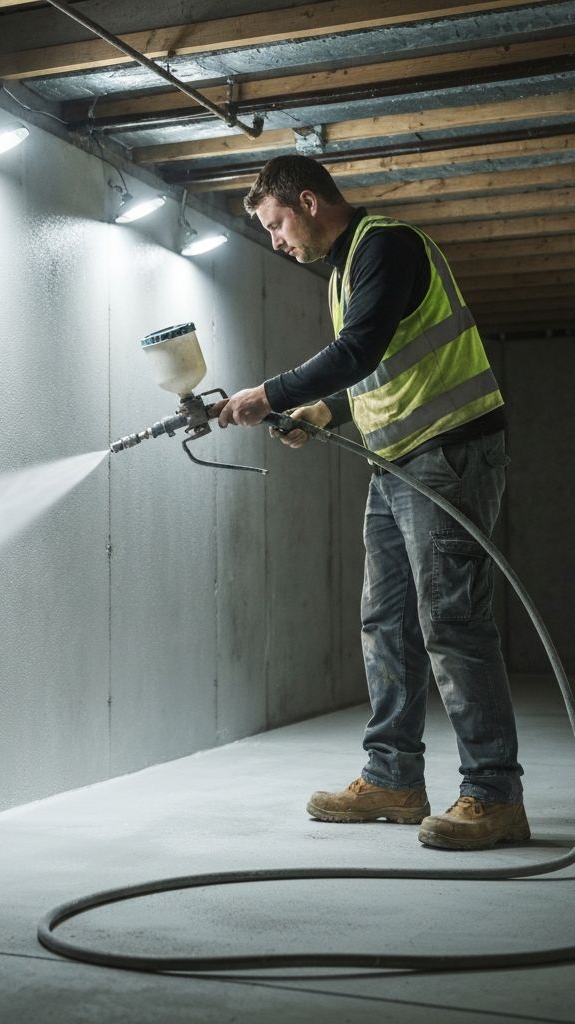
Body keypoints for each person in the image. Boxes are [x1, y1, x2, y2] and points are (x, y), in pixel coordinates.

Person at [214, 154, 528, 851]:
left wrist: (268, 395)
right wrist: (323, 416)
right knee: (385, 620)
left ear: (307, 201)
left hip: (449, 454)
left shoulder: (386, 245)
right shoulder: (347, 267)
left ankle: (494, 793)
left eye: (276, 225)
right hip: (398, 464)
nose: (277, 241)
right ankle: (393, 779)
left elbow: (359, 349)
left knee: (452, 622)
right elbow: (380, 369)